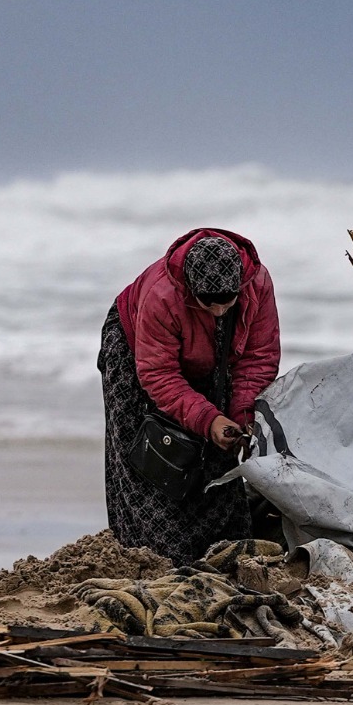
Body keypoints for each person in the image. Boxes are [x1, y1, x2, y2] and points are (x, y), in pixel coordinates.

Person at [97, 229, 280, 566]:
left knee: (221, 448)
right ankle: (154, 557)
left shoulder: (257, 284)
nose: (220, 313)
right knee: (153, 450)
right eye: (209, 305)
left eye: (228, 303)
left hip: (214, 351)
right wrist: (207, 419)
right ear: (191, 292)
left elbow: (259, 357)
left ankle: (217, 545)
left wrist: (239, 414)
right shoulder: (161, 295)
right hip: (134, 346)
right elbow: (159, 375)